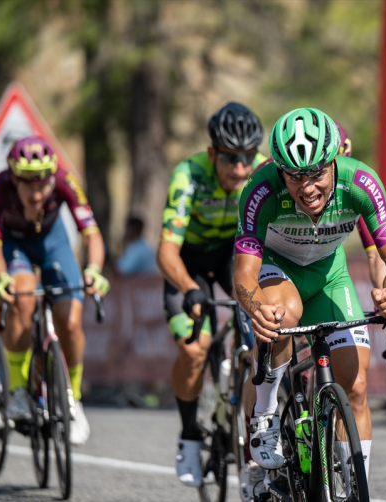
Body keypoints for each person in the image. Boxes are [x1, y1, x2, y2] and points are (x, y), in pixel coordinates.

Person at [233, 108, 386, 483]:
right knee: (283, 313)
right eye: (295, 177)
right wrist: (255, 308)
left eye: (316, 173)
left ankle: (354, 482)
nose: (307, 187)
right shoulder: (260, 189)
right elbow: (244, 274)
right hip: (276, 268)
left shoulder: (361, 181)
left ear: (335, 161)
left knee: (357, 386)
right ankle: (264, 415)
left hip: (330, 276)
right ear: (279, 170)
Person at [156, 102, 266, 489]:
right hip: (188, 262)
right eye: (231, 159)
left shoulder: (262, 172)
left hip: (232, 257)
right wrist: (187, 288)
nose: (240, 169)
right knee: (194, 349)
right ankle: (189, 434)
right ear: (211, 153)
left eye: (248, 158)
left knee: (264, 334)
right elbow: (166, 250)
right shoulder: (189, 175)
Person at [0, 136, 110, 446]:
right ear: (13, 177)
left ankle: (73, 399)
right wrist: (0, 277)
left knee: (72, 318)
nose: (36, 192)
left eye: (43, 183)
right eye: (27, 184)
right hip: (13, 247)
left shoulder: (66, 181)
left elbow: (91, 233)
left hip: (54, 244)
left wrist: (93, 269)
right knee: (22, 297)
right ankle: (18, 391)